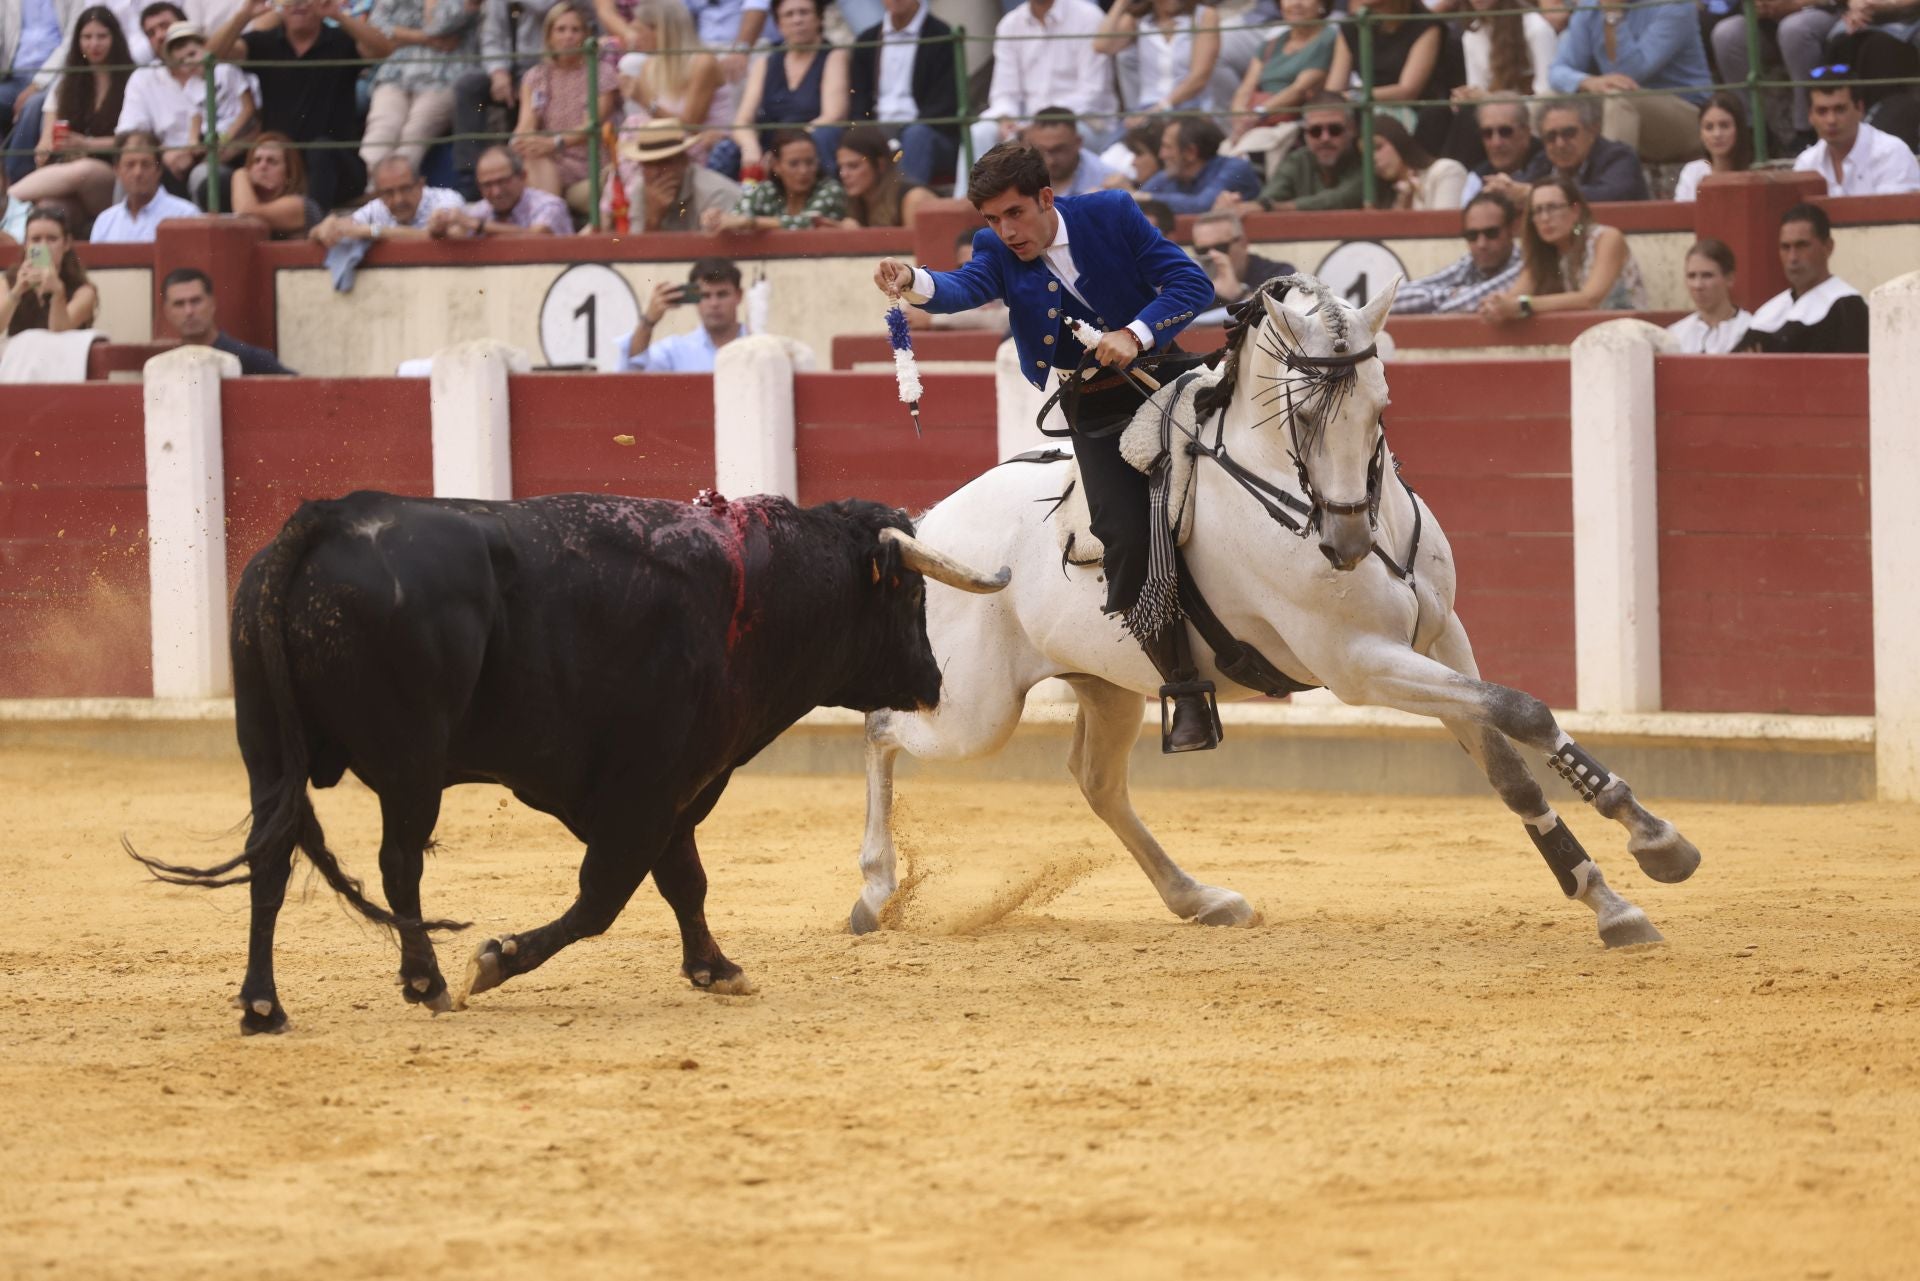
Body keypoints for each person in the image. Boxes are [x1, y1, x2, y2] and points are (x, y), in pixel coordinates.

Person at [870, 143, 1221, 751]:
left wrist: (1135, 333)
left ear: (1045, 199)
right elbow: (966, 287)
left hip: (1171, 376)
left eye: (1014, 214)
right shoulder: (995, 252)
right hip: (1099, 410)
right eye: (990, 220)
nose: (1006, 232)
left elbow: (1192, 283)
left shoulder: (1111, 212)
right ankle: (1185, 691)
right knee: (1124, 534)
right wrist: (914, 281)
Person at [208, 0, 384, 212]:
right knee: (218, 178)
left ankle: (313, 225)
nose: (299, 4)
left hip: (339, 170)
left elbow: (384, 51)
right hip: (284, 170)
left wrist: (339, 16)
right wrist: (244, 15)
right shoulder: (265, 42)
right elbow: (211, 56)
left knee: (320, 149)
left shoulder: (341, 40)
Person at [6, 7, 135, 227]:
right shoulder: (70, 80)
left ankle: (6, 199)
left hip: (110, 177)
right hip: (67, 174)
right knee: (47, 209)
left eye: (101, 36)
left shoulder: (132, 80)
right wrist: (46, 140)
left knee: (84, 169)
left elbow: (132, 139)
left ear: (115, 37)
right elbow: (50, 110)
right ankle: (42, 261)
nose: (94, 44)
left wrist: (86, 144)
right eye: (87, 37)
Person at [1546, 0, 1711, 164]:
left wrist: (1613, 15)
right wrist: (1587, 81)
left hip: (1689, 114)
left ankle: (1610, 182)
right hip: (1620, 98)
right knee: (1545, 101)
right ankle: (1544, 185)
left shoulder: (1675, 5)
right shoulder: (1590, 6)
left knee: (1619, 100)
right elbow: (1557, 71)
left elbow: (1630, 73)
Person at [114, 21, 255, 200]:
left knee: (203, 176)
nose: (190, 62)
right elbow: (195, 117)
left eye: (193, 54)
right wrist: (193, 143)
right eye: (182, 61)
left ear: (206, 47)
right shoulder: (192, 85)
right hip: (209, 142)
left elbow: (249, 108)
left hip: (235, 140)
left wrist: (227, 138)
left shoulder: (226, 70)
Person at [1481, 175, 1648, 323]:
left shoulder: (1606, 238)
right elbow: (1515, 296)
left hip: (1627, 332)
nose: (1545, 218)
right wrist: (1497, 304)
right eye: (1537, 211)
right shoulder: (1544, 252)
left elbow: (1590, 299)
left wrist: (1523, 304)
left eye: (1552, 208)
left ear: (1575, 211)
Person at [719, 0, 848, 178]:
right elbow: (742, 120)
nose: (797, 20)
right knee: (726, 150)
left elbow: (832, 116)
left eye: (804, 12)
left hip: (810, 145)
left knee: (824, 136)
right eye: (789, 14)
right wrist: (750, 146)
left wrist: (786, 150)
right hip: (769, 150)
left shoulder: (834, 56)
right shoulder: (765, 63)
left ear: (819, 18)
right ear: (778, 24)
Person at [450, 0, 566, 198]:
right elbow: (491, 37)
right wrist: (498, 71)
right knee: (469, 87)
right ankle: (471, 177)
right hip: (509, 69)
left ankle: (520, 177)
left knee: (529, 117)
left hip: (552, 68)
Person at [977, 0, 1116, 163]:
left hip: (1084, 122)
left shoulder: (1088, 17)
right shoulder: (1009, 24)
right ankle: (970, 190)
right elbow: (1004, 93)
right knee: (980, 133)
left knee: (1051, 138)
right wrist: (1007, 118)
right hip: (1026, 124)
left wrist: (1036, 124)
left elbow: (1092, 92)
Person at [511, 2, 617, 212]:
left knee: (536, 159)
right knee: (528, 156)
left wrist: (554, 143)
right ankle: (547, 224)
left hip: (588, 161)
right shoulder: (536, 76)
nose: (568, 36)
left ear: (586, 36)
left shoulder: (601, 72)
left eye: (575, 30)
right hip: (548, 157)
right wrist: (522, 142)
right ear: (549, 36)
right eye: (561, 29)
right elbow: (526, 123)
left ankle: (546, 224)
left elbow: (592, 124)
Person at [360, 0, 482, 180]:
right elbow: (376, 25)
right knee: (382, 127)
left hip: (444, 77)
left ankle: (396, 191)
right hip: (396, 74)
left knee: (415, 133)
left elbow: (440, 25)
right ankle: (368, 191)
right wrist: (423, 38)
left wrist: (401, 34)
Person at [847, 0, 959, 188]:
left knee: (917, 135)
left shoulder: (942, 35)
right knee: (834, 135)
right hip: (878, 129)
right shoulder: (867, 40)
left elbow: (944, 104)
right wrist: (864, 132)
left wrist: (899, 135)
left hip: (927, 132)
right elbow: (858, 102)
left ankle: (904, 205)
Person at [1221, 0, 1336, 169]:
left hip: (1290, 123)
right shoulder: (1272, 43)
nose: (1296, 3)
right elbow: (1246, 86)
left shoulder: (1329, 38)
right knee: (1222, 154)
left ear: (1322, 4)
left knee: (1240, 160)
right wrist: (1239, 116)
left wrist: (1257, 114)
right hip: (1255, 122)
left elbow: (1300, 89)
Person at [1740, 202, 1868, 353]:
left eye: (1802, 246)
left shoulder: (1847, 308)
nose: (1792, 258)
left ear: (1828, 247)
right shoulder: (1769, 312)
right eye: (1785, 247)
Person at [616, 0, 730, 165]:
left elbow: (690, 127)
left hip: (707, 150)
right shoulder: (650, 65)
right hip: (671, 147)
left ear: (659, 31)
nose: (635, 38)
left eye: (639, 31)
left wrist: (643, 100)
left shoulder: (703, 63)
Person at [1324, 0, 1449, 151]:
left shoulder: (1424, 24)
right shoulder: (1353, 25)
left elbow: (1408, 91)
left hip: (1413, 111)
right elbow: (1333, 91)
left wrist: (1354, 97)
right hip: (1365, 106)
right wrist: (1341, 100)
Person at [1710, 0, 1837, 148]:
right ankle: (1752, 129)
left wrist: (1795, 3)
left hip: (1820, 11)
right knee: (1726, 34)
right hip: (1767, 22)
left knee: (1793, 29)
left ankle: (1806, 130)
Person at [1093, 0, 1225, 122]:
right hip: (1147, 109)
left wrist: (1158, 110)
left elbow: (1199, 77)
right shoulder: (1139, 20)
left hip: (1192, 110)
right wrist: (1121, 3)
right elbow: (1102, 45)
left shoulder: (1204, 16)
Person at [1393, 190, 1523, 313]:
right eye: (1472, 235)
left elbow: (1467, 303)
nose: (1481, 244)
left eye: (1491, 233)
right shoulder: (1470, 263)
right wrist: (1450, 294)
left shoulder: (1523, 266)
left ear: (1511, 230)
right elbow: (1393, 298)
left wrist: (1439, 302)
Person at [1793, 70, 1920, 196]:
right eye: (1822, 111)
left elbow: (1897, 215)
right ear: (1810, 116)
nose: (1831, 120)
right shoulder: (1806, 163)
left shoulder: (1891, 154)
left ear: (1860, 109)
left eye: (1840, 109)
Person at [617, 257, 747, 371]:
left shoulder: (762, 345)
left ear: (739, 295)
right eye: (705, 295)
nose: (714, 303)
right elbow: (633, 369)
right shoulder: (675, 351)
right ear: (694, 298)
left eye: (722, 294)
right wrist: (648, 322)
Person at [613, 118, 742, 232]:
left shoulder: (715, 194)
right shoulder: (640, 190)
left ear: (684, 161)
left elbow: (717, 256)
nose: (657, 171)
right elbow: (636, 254)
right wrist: (653, 220)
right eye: (649, 164)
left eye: (665, 162)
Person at [705, 126, 846, 230]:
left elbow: (810, 223)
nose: (803, 171)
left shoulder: (831, 189)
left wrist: (750, 223)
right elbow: (736, 219)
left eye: (809, 162)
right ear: (776, 166)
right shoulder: (766, 190)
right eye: (794, 164)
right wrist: (717, 219)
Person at [158, 266, 294, 373]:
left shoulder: (250, 358)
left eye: (196, 301)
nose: (189, 311)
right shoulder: (165, 364)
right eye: (179, 304)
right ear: (167, 312)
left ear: (212, 303)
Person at [1515, 97, 1650, 202]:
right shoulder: (1543, 161)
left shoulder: (1619, 156)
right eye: (1551, 136)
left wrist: (1535, 193)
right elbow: (1521, 185)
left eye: (1569, 133)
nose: (1560, 144)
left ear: (1593, 130)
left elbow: (1610, 196)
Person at [310, 154, 465, 245]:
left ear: (420, 185)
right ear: (378, 194)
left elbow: (434, 238)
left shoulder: (445, 199)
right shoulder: (377, 207)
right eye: (388, 193)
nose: (398, 199)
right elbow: (318, 234)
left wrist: (373, 231)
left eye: (406, 188)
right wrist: (325, 227)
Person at [1249, 95, 1363, 211]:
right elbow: (1269, 197)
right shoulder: (1298, 160)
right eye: (1315, 131)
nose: (1325, 138)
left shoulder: (1365, 161)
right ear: (1305, 135)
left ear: (1352, 129)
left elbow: (1340, 200)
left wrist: (1270, 207)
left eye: (1335, 130)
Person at [433, 144, 573, 236]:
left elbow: (537, 236)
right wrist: (439, 230)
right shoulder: (482, 209)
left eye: (503, 182)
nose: (496, 192)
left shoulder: (549, 205)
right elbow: (458, 234)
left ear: (523, 177)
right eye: (487, 185)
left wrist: (477, 225)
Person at [1, 206, 98, 335]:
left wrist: (58, 294)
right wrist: (17, 291)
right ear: (26, 244)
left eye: (52, 239)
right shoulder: (9, 282)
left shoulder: (83, 291)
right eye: (36, 239)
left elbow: (59, 331)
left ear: (66, 243)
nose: (43, 246)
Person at [87, 130, 199, 241]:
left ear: (159, 170)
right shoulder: (105, 222)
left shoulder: (185, 215)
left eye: (145, 164)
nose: (138, 173)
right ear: (117, 170)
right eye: (130, 165)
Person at [1139, 116, 1261, 213]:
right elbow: (1138, 199)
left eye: (1168, 147)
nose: (1161, 155)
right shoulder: (1172, 173)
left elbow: (1203, 205)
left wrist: (1150, 199)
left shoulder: (1234, 168)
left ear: (1191, 152)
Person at [1190, 207, 1294, 309]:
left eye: (1221, 248)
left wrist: (1238, 294)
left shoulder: (1278, 275)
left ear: (1243, 243)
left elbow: (1283, 316)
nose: (1212, 256)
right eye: (1202, 251)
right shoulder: (1193, 283)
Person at [833, 125, 932, 228]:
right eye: (840, 167)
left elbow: (919, 244)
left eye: (853, 166)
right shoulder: (854, 204)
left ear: (880, 165)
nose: (843, 174)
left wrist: (860, 236)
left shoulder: (914, 199)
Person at [230, 131, 323, 239]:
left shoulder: (301, 205)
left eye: (272, 161)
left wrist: (239, 174)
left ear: (289, 174)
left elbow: (246, 214)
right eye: (256, 160)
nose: (262, 166)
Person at [1665, 238, 1751, 353]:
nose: (1698, 285)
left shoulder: (1748, 329)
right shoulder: (1675, 334)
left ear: (1730, 278)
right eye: (1691, 276)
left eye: (1707, 275)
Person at [1370, 115, 1467, 209]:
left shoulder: (1446, 171)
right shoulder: (1384, 196)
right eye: (1365, 155)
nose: (1373, 158)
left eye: (1378, 147)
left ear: (1398, 140)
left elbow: (1445, 223)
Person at [1674, 92, 1753, 201]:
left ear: (1738, 129)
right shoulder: (1692, 172)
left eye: (1724, 126)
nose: (1717, 134)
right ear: (1701, 134)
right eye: (1709, 127)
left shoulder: (1753, 174)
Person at [1464, 96, 1542, 204]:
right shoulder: (1475, 179)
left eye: (1505, 132)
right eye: (1487, 133)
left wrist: (1526, 194)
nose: (1496, 143)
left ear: (1526, 134)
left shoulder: (1551, 165)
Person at [1025, 107, 1114, 196]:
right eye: (1041, 150)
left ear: (1078, 142)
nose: (1050, 160)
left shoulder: (1108, 181)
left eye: (1058, 150)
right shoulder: (1021, 176)